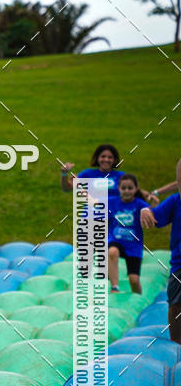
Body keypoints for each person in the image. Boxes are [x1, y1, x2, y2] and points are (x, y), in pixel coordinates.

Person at [141, 195, 181, 343]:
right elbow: (155, 216)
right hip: (179, 263)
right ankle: (176, 345)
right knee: (176, 305)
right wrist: (146, 210)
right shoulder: (176, 200)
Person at [60, 143, 158, 203]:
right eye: (103, 156)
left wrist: (150, 195)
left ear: (115, 160)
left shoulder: (121, 176)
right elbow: (67, 188)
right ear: (97, 158)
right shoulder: (87, 174)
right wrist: (64, 174)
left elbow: (135, 191)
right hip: (92, 220)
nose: (106, 159)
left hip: (114, 218)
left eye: (110, 157)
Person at [107, 174, 149, 294]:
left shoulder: (140, 204)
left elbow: (152, 213)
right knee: (112, 252)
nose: (126, 191)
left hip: (133, 245)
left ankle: (138, 299)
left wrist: (153, 206)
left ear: (136, 189)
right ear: (119, 189)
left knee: (134, 281)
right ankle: (114, 287)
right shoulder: (112, 202)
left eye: (130, 188)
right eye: (123, 188)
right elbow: (94, 203)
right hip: (116, 240)